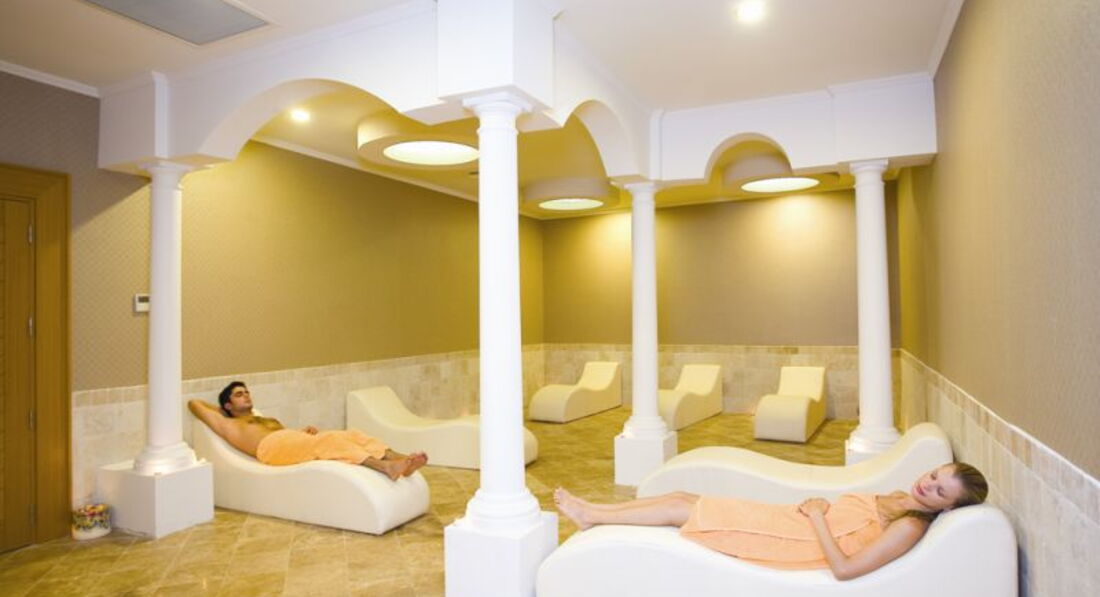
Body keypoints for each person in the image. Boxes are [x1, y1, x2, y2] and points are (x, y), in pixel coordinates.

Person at [553, 462, 987, 580]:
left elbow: (845, 569)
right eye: (934, 476)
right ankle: (596, 514)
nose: (928, 485)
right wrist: (818, 507)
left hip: (793, 541)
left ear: (948, 509)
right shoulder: (902, 499)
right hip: (792, 521)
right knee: (683, 497)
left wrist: (816, 516)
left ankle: (591, 515)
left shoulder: (910, 526)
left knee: (680, 509)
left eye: (940, 491)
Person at [188, 381, 427, 481]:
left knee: (351, 434)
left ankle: (400, 459)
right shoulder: (229, 425)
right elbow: (194, 404)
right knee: (329, 441)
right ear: (227, 405)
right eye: (239, 394)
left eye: (247, 392)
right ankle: (385, 468)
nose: (246, 396)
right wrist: (223, 411)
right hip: (270, 450)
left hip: (289, 442)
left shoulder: (263, 418)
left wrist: (302, 433)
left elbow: (288, 440)